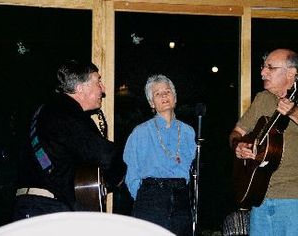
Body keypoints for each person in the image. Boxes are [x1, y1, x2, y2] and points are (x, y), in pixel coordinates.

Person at [229, 48, 298, 235]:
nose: (262, 72)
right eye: (263, 67)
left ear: (291, 73)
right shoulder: (262, 98)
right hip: (260, 195)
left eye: (270, 68)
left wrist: (294, 112)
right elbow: (236, 132)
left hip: (296, 198)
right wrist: (238, 145)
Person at [12, 60, 121, 220]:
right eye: (98, 82)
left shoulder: (46, 110)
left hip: (28, 207)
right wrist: (121, 172)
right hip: (46, 209)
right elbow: (104, 155)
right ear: (80, 88)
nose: (103, 89)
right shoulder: (68, 113)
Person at [123, 74, 196, 235]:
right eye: (157, 93)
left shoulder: (188, 132)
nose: (164, 96)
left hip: (181, 199)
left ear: (175, 98)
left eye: (167, 91)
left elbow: (190, 167)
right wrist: (145, 198)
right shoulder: (140, 133)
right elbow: (131, 172)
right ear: (151, 103)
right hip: (151, 199)